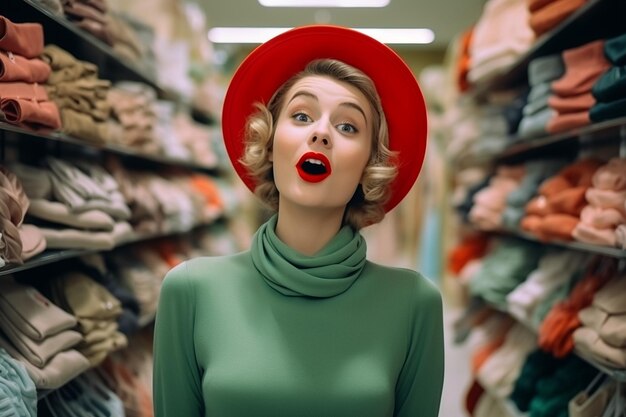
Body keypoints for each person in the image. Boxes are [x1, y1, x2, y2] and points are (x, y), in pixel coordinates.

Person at [153, 25, 444, 417]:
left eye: (347, 126)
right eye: (302, 115)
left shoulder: (414, 304)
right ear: (269, 144)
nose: (321, 132)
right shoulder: (190, 291)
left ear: (368, 167)